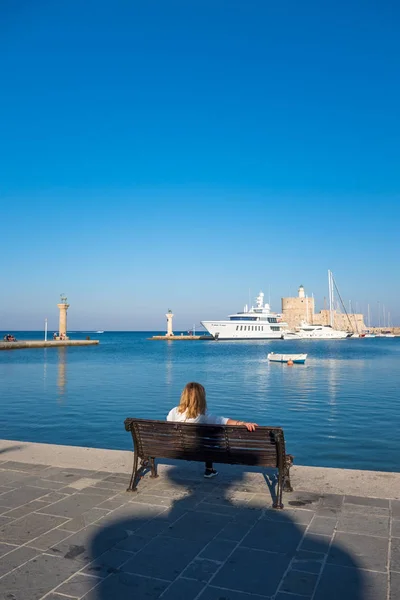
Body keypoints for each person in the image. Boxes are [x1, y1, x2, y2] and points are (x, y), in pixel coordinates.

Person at [167, 382, 257, 478]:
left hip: (176, 448)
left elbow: (169, 426)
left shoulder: (174, 411)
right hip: (196, 450)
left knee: (205, 440)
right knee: (209, 442)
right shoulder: (203, 415)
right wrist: (242, 423)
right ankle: (209, 470)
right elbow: (223, 421)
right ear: (201, 397)